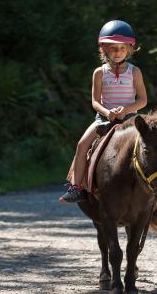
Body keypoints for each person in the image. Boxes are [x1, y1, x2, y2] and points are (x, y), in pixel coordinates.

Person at [59, 20, 147, 203]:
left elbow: (143, 100)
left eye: (122, 48)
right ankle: (77, 187)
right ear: (105, 49)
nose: (117, 52)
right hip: (104, 118)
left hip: (130, 118)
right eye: (113, 48)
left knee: (155, 142)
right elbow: (95, 101)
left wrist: (126, 109)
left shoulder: (134, 72)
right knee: (82, 145)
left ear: (129, 49)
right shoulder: (99, 72)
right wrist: (107, 113)